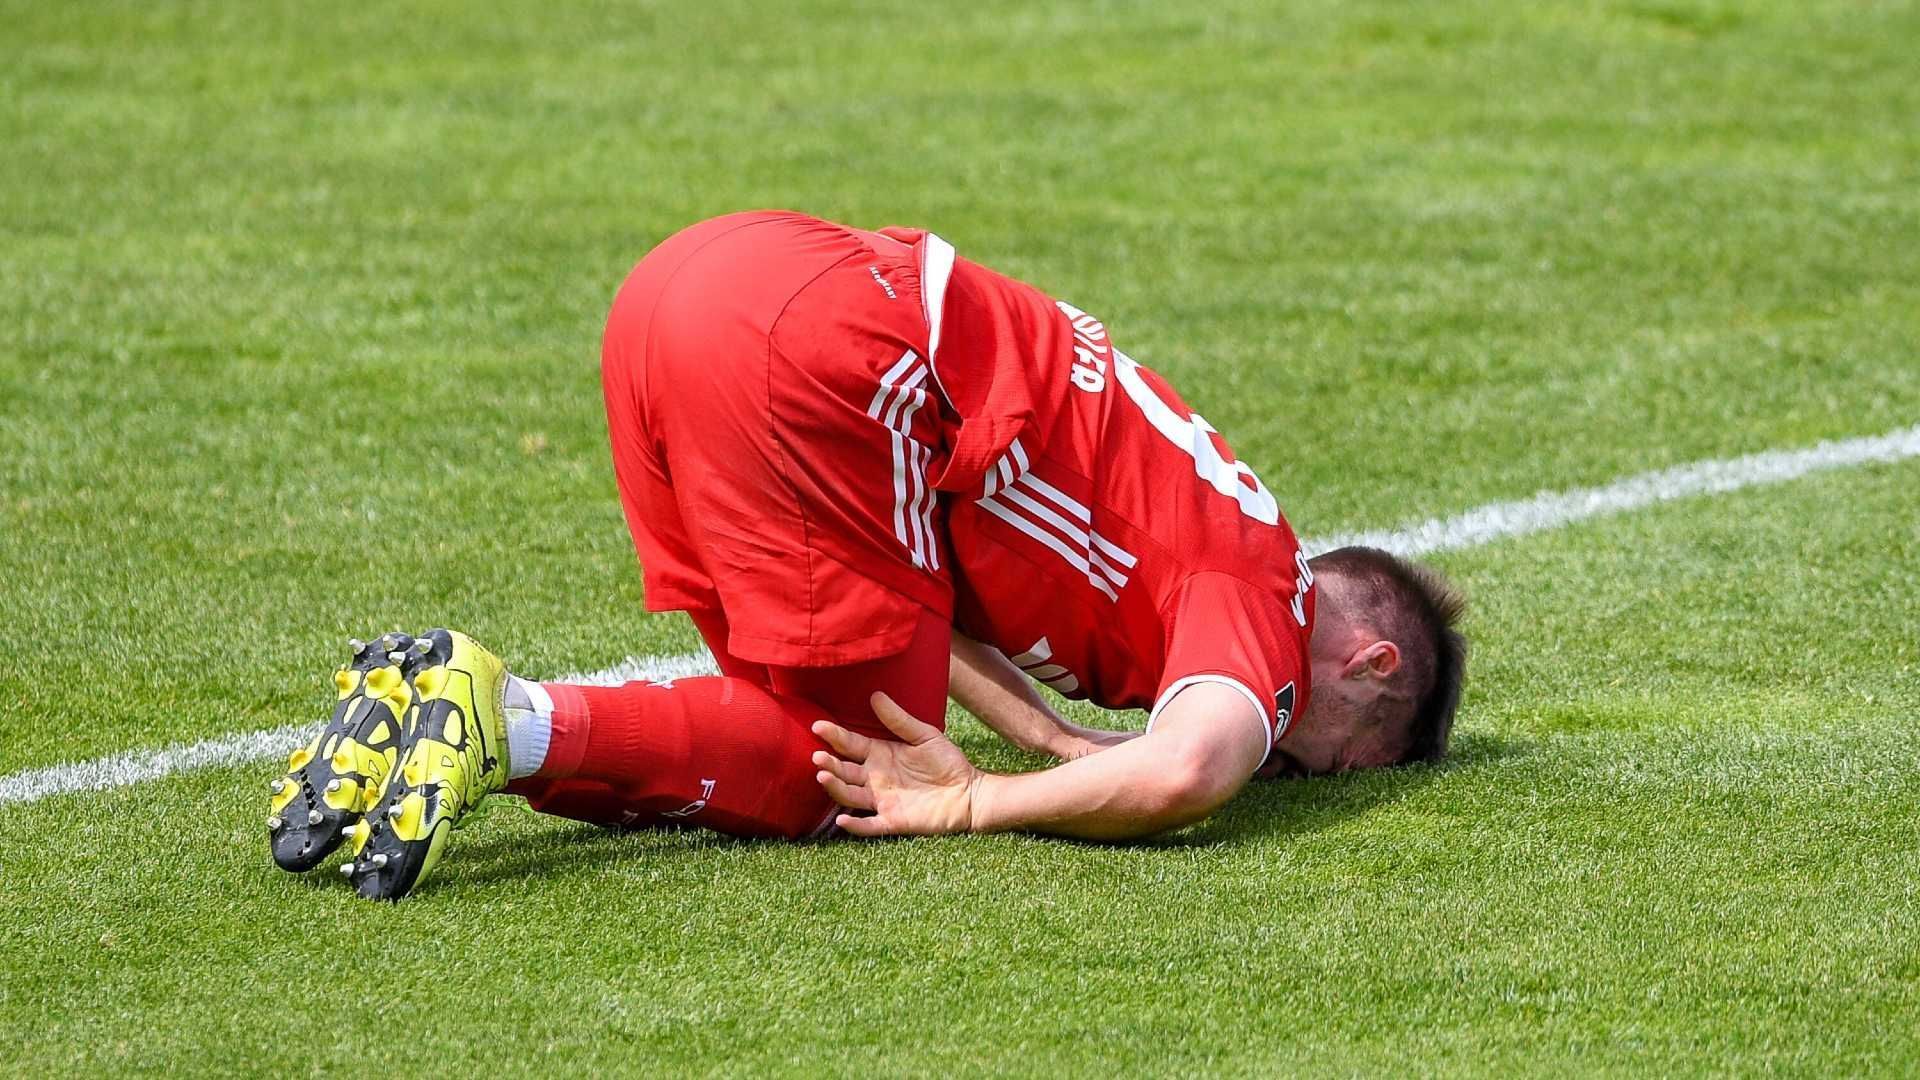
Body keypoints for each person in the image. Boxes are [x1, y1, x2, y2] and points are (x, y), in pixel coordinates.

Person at [265, 211, 1467, 900]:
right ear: (1364, 666)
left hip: (691, 286)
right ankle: (504, 714)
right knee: (826, 773)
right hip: (829, 350)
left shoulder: (1203, 531)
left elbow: (927, 581)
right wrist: (975, 803)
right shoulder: (1257, 596)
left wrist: (1045, 738)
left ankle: (423, 696)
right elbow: (1189, 773)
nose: (1292, 768)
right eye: (1331, 765)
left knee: (800, 719)